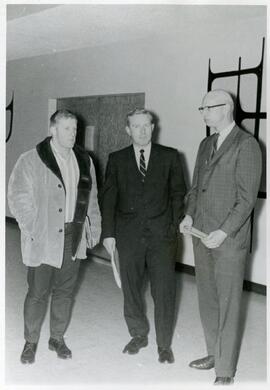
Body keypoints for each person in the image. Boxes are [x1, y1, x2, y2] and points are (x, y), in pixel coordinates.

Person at [179, 90, 262, 385]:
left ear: (225, 108)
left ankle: (225, 370)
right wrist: (189, 215)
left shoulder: (247, 145)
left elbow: (246, 199)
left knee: (227, 304)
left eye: (207, 107)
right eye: (201, 107)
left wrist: (224, 231)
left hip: (228, 240)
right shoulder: (205, 144)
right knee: (208, 301)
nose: (202, 112)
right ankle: (214, 353)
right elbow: (195, 188)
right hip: (201, 234)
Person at [8, 109, 101, 364]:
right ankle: (31, 341)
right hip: (44, 236)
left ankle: (56, 338)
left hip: (73, 233)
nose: (73, 134)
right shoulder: (31, 159)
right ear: (53, 130)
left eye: (75, 129)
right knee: (38, 292)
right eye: (67, 128)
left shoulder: (85, 161)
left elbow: (91, 199)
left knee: (65, 291)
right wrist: (35, 228)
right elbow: (17, 196)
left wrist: (93, 228)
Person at [101, 108, 186, 363]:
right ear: (128, 129)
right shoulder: (116, 159)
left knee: (164, 291)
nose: (141, 130)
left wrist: (172, 226)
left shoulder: (170, 156)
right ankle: (138, 334)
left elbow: (178, 194)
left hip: (162, 237)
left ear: (153, 127)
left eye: (146, 125)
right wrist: (109, 234)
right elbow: (109, 199)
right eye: (136, 126)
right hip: (128, 237)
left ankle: (164, 344)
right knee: (131, 289)